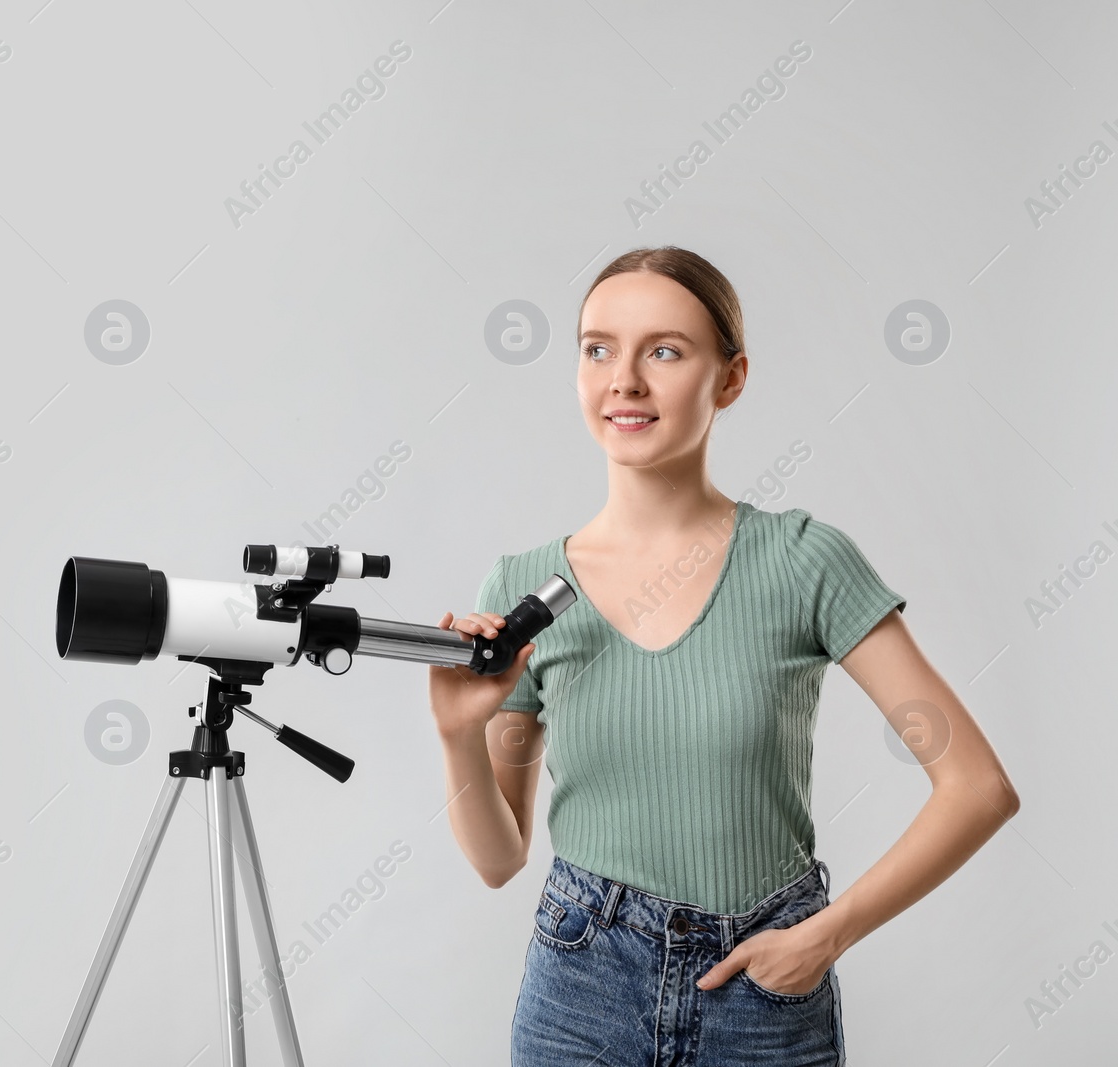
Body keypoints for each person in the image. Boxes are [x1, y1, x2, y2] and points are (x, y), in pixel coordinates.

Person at [428, 246, 1020, 1065]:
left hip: (762, 992)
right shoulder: (527, 583)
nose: (624, 380)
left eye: (664, 351)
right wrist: (460, 734)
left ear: (731, 378)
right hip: (582, 986)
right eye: (598, 348)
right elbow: (499, 861)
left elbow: (978, 788)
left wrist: (824, 935)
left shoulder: (805, 561)